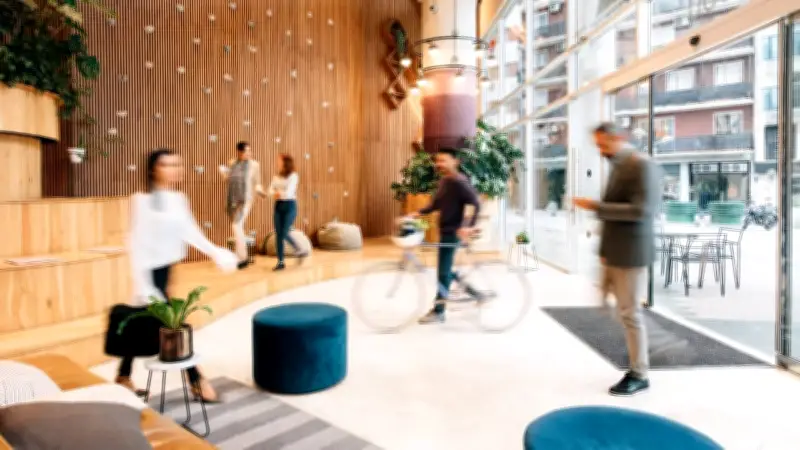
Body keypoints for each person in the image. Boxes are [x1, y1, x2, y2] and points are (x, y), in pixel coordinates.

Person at [114, 148, 238, 402]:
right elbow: (134, 242)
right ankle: (196, 380)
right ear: (153, 169)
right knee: (173, 326)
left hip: (165, 270)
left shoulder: (178, 199)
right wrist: (143, 283)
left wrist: (215, 252)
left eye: (176, 164)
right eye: (167, 164)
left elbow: (190, 231)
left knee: (141, 326)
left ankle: (123, 376)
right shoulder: (141, 200)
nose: (174, 169)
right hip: (148, 273)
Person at [573, 123, 660, 397]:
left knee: (631, 314)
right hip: (616, 251)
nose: (601, 151)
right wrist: (605, 250)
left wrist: (595, 206)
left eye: (604, 144)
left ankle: (639, 373)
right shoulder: (619, 166)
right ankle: (637, 358)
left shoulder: (641, 165)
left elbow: (641, 210)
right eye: (598, 145)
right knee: (623, 311)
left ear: (618, 138)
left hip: (632, 254)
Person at [409, 147, 481, 324]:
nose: (439, 164)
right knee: (446, 271)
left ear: (455, 161)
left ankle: (439, 311)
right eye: (437, 160)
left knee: (442, 274)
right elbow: (435, 205)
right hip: (445, 231)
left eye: (443, 160)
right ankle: (476, 293)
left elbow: (475, 203)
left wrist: (468, 227)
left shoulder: (459, 182)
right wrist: (417, 213)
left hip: (453, 233)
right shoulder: (445, 182)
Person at [219, 141, 266, 269]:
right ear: (239, 152)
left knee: (236, 225)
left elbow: (257, 182)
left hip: (246, 199)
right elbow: (228, 180)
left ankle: (242, 257)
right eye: (246, 151)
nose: (249, 153)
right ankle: (242, 257)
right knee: (237, 227)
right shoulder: (232, 163)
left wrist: (261, 191)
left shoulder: (254, 165)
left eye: (250, 150)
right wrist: (223, 173)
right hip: (232, 200)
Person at [268, 154, 307, 271]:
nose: (277, 163)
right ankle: (280, 262)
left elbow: (289, 193)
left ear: (285, 162)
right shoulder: (276, 176)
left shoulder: (293, 176)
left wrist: (277, 192)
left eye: (279, 161)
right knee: (278, 234)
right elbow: (270, 190)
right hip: (278, 206)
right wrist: (277, 193)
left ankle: (299, 249)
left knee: (284, 232)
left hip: (290, 206)